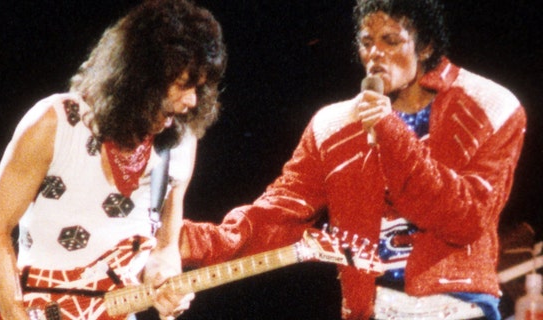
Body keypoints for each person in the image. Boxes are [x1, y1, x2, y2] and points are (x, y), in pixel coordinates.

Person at [179, 0, 526, 319]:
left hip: (460, 307)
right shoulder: (333, 125)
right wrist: (184, 241)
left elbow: (465, 219)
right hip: (371, 308)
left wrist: (389, 130)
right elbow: (275, 216)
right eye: (366, 42)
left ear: (426, 45)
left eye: (390, 40)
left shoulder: (489, 104)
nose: (375, 54)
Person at [0, 0, 226, 319]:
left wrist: (166, 282)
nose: (191, 101)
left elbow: (165, 248)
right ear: (140, 79)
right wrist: (13, 313)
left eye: (199, 88)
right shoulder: (55, 123)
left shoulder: (179, 144)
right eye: (182, 85)